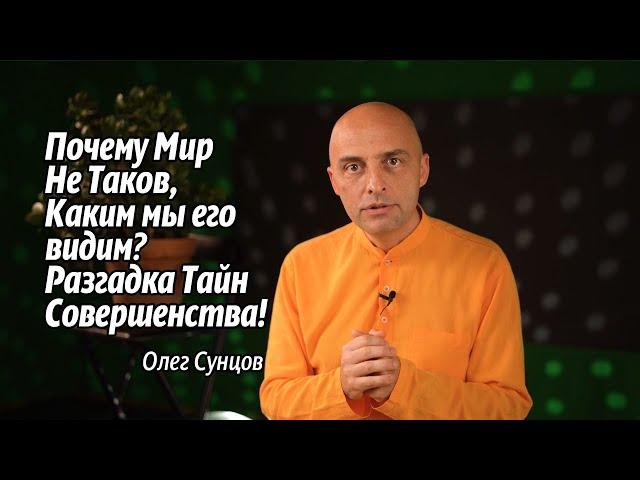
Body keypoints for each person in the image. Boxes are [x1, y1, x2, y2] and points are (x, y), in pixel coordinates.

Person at [259, 102, 533, 419]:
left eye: (392, 161)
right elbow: (275, 398)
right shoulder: (301, 265)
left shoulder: (485, 265)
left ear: (422, 169)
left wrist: (407, 388)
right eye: (353, 167)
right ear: (334, 181)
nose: (374, 184)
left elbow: (507, 407)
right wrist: (340, 387)